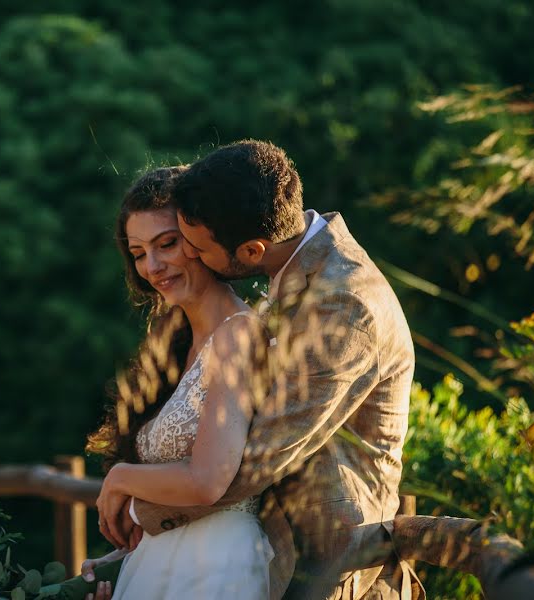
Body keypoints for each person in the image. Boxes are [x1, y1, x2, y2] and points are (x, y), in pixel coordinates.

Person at [100, 139, 423, 599]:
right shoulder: (294, 272)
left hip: (330, 555)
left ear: (250, 251)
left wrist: (138, 512)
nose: (183, 256)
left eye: (188, 245)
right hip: (256, 545)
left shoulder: (343, 302)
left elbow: (255, 459)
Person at [75, 165, 287, 600]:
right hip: (169, 564)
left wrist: (120, 477)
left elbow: (208, 481)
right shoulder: (177, 346)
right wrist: (125, 564)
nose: (152, 266)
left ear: (201, 239)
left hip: (215, 565)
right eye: (138, 253)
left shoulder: (238, 335)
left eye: (166, 244)